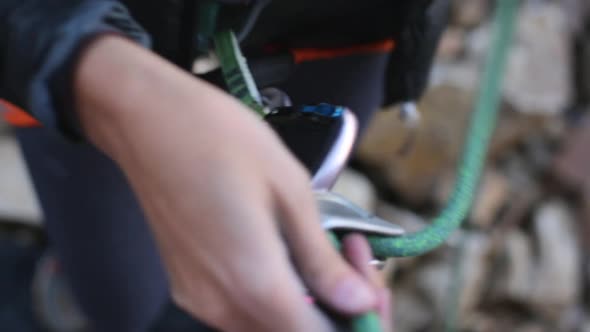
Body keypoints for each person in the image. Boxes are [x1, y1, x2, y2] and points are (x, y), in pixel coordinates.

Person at [0, 1, 447, 331]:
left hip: (356, 20)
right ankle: (74, 296)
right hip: (77, 23)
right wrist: (109, 88)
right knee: (119, 303)